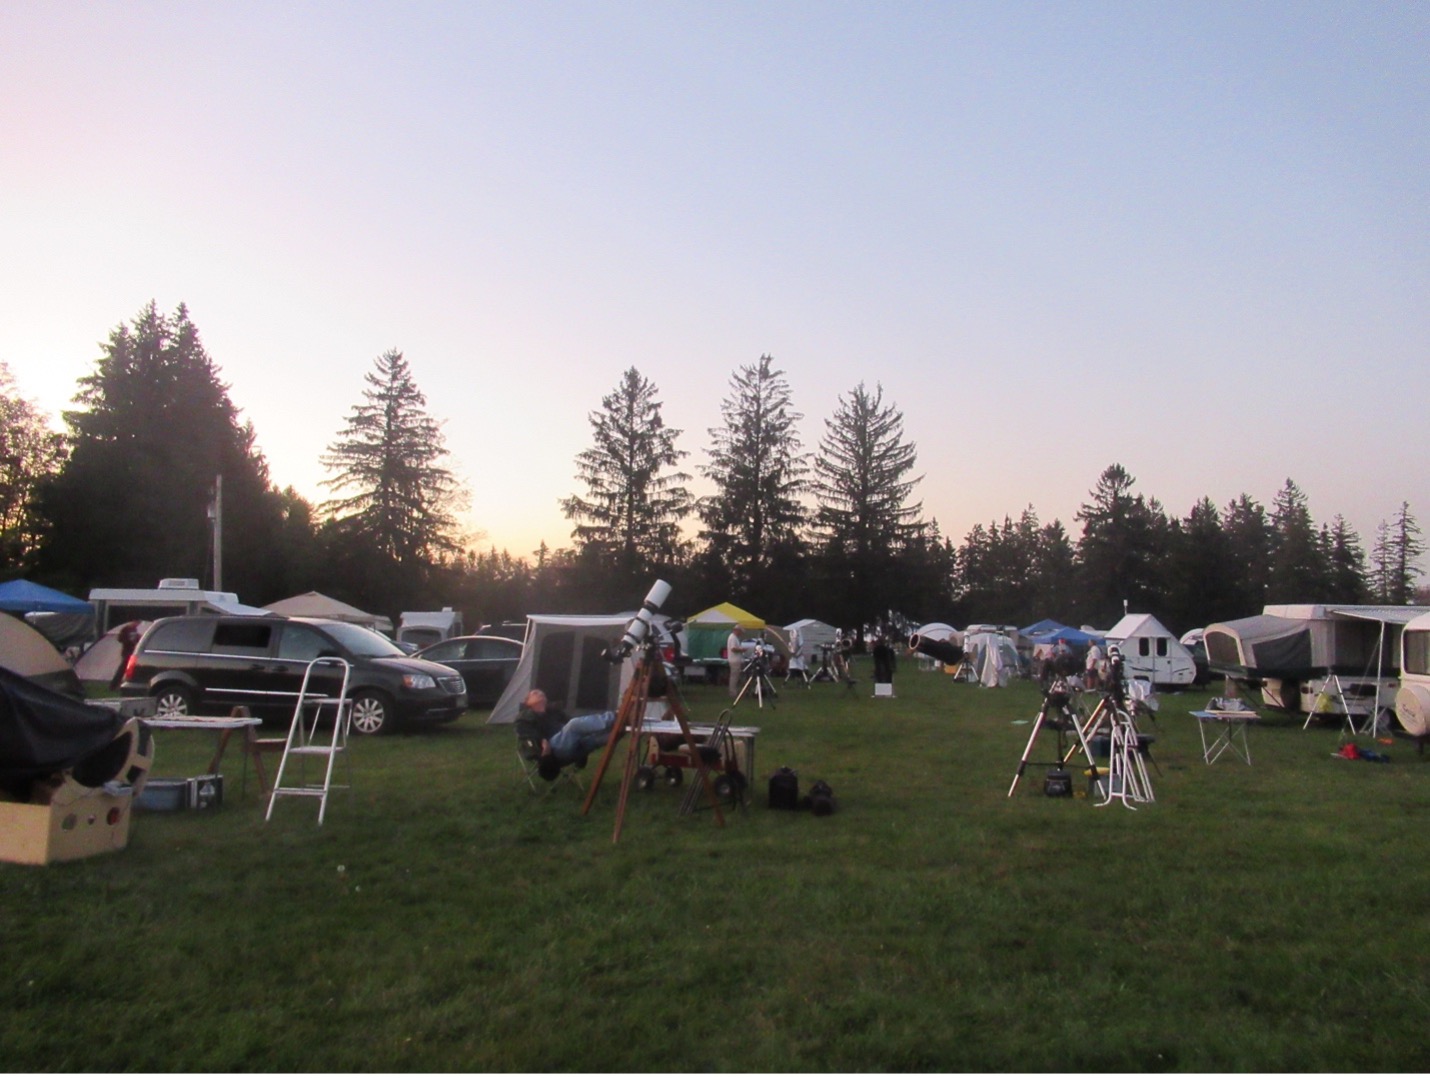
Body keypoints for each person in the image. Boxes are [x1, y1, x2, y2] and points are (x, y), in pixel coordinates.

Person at [515, 688, 618, 780]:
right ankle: (616, 715)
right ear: (527, 702)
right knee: (573, 724)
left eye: (542, 693)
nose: (540, 693)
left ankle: (623, 727)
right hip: (553, 750)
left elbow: (578, 726)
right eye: (535, 693)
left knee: (597, 739)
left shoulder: (554, 713)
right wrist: (543, 751)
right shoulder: (524, 718)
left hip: (572, 745)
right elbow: (527, 737)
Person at [110, 620, 142, 690]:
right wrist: (128, 641)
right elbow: (120, 639)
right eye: (137, 623)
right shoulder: (125, 629)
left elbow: (135, 640)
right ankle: (113, 685)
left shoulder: (134, 629)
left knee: (130, 669)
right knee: (122, 669)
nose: (137, 624)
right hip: (126, 652)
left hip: (132, 652)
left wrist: (138, 638)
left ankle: (126, 684)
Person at [726, 625, 744, 698]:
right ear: (737, 630)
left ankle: (733, 691)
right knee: (734, 677)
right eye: (740, 631)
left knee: (734, 676)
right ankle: (732, 692)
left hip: (734, 659)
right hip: (734, 660)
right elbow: (733, 649)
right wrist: (742, 650)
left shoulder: (733, 637)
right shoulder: (733, 638)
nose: (741, 633)